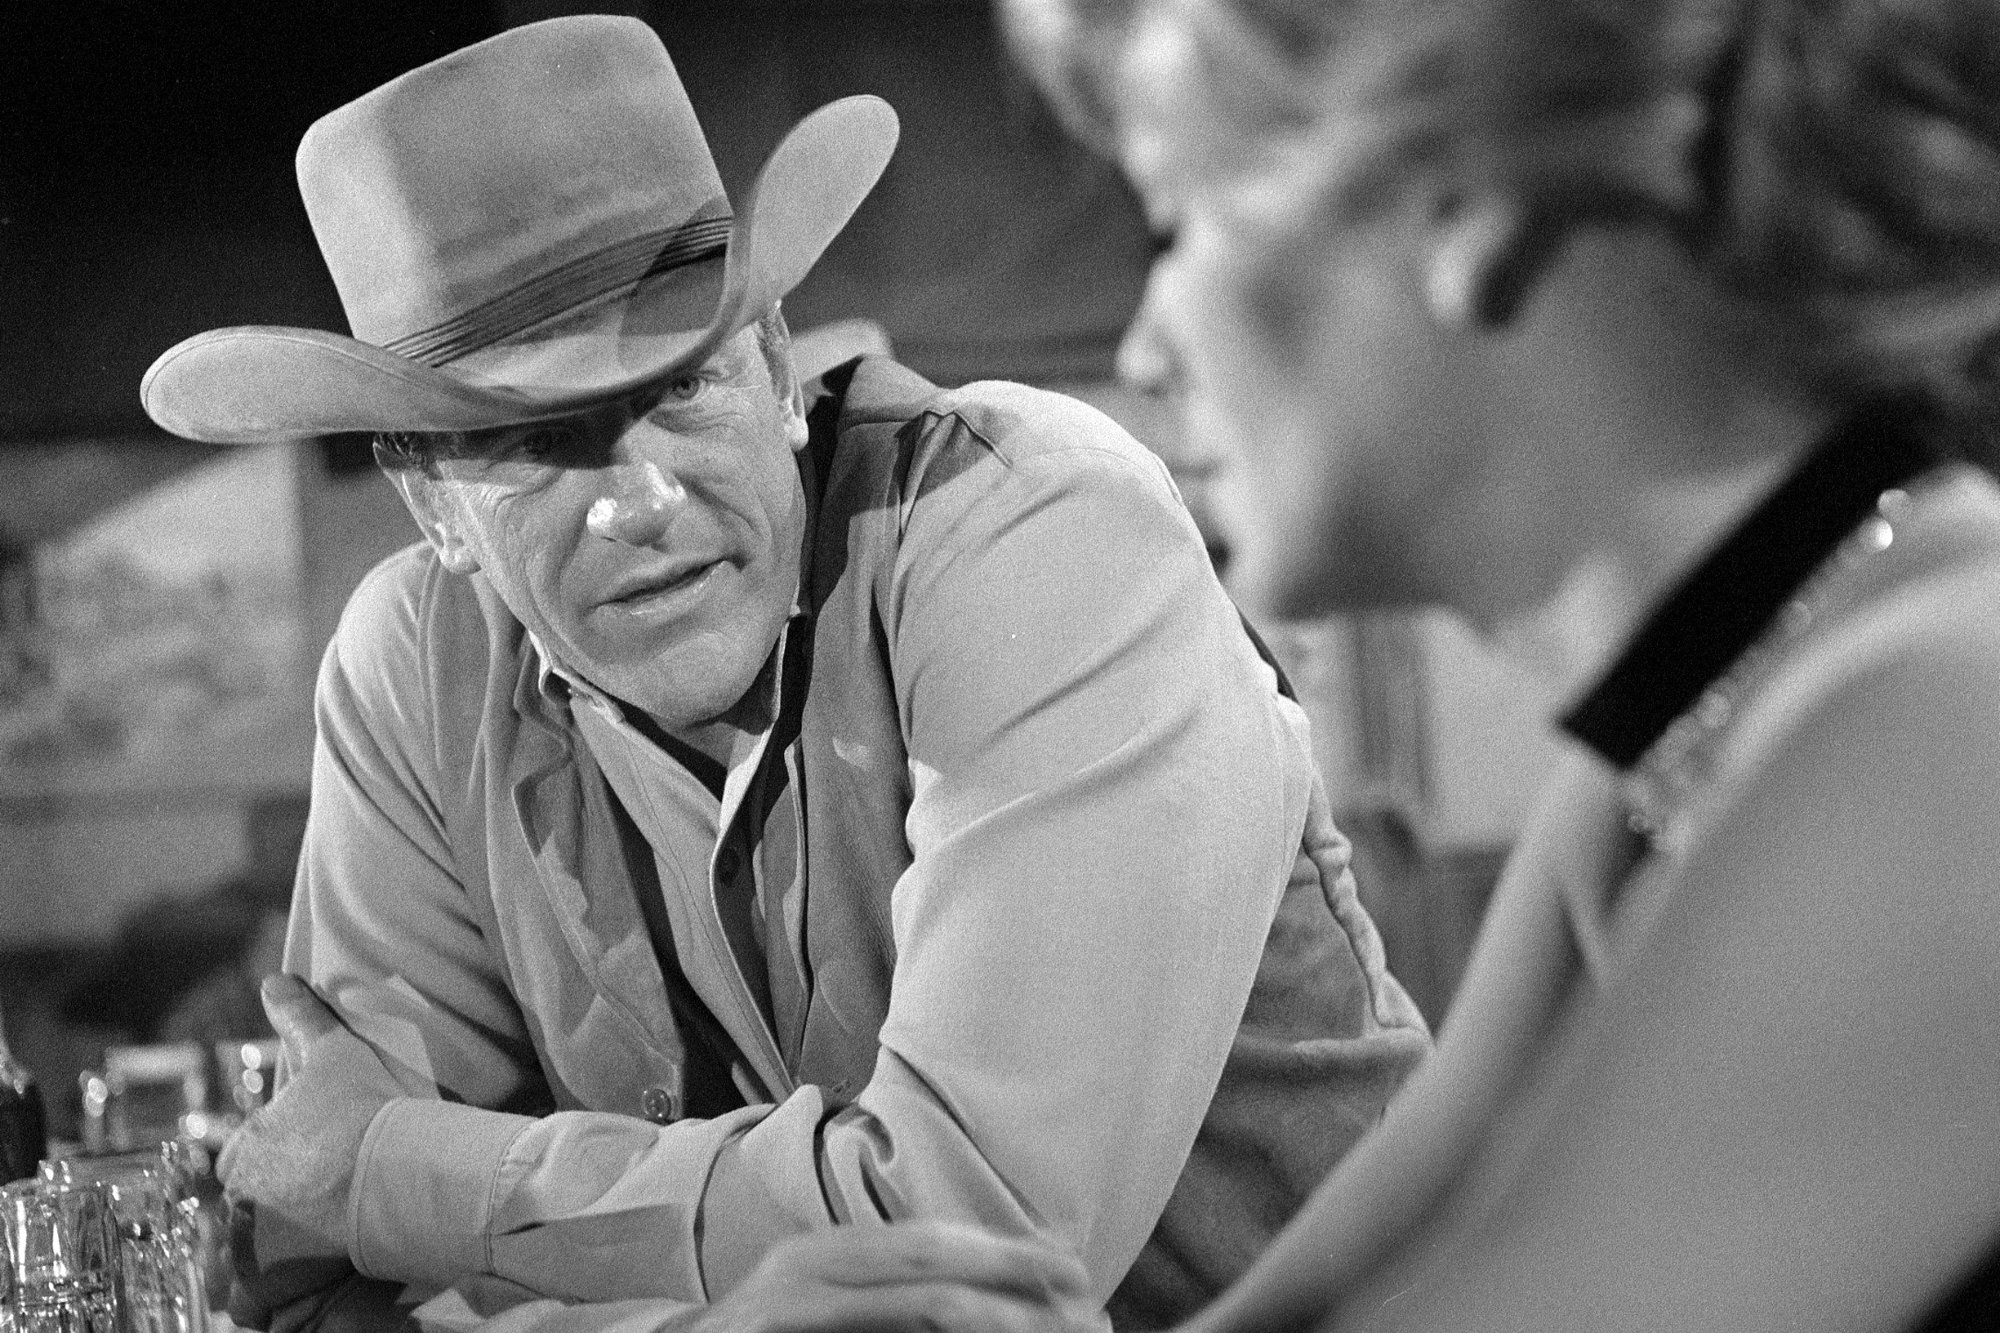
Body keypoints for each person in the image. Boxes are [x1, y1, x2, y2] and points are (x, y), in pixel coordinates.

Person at [139, 15, 1430, 1333]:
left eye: (681, 385)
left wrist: (400, 1171)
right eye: (532, 442)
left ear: (773, 363)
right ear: (431, 508)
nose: (638, 497)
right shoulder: (412, 670)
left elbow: (968, 1251)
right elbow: (317, 1280)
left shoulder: (1026, 521)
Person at [996, 0, 2000, 1328]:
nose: (1143, 350)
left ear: (1466, 212)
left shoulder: (1944, 722)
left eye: (1178, 217)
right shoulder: (1675, 746)